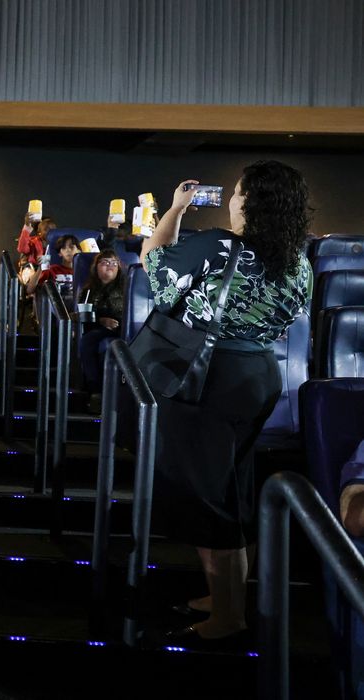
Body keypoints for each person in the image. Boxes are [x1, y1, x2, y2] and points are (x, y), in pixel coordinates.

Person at [143, 162, 312, 645]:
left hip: (210, 376)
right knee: (232, 488)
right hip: (258, 375)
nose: (231, 201)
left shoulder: (218, 245)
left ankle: (229, 616)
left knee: (205, 496)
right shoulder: (296, 259)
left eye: (237, 193)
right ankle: (226, 597)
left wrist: (175, 209)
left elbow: (154, 263)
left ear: (247, 201)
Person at [77, 250, 127, 398]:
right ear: (96, 267)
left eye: (114, 263)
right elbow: (83, 313)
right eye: (105, 262)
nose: (110, 266)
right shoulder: (88, 290)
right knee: (88, 340)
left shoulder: (126, 286)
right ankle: (95, 389)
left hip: (123, 326)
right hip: (98, 328)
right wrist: (101, 320)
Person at [26, 233, 77, 310]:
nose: (68, 250)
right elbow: (30, 290)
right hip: (56, 308)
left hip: (76, 307)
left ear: (79, 250)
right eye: (63, 248)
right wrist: (40, 268)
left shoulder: (82, 272)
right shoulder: (52, 269)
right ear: (60, 253)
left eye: (71, 247)